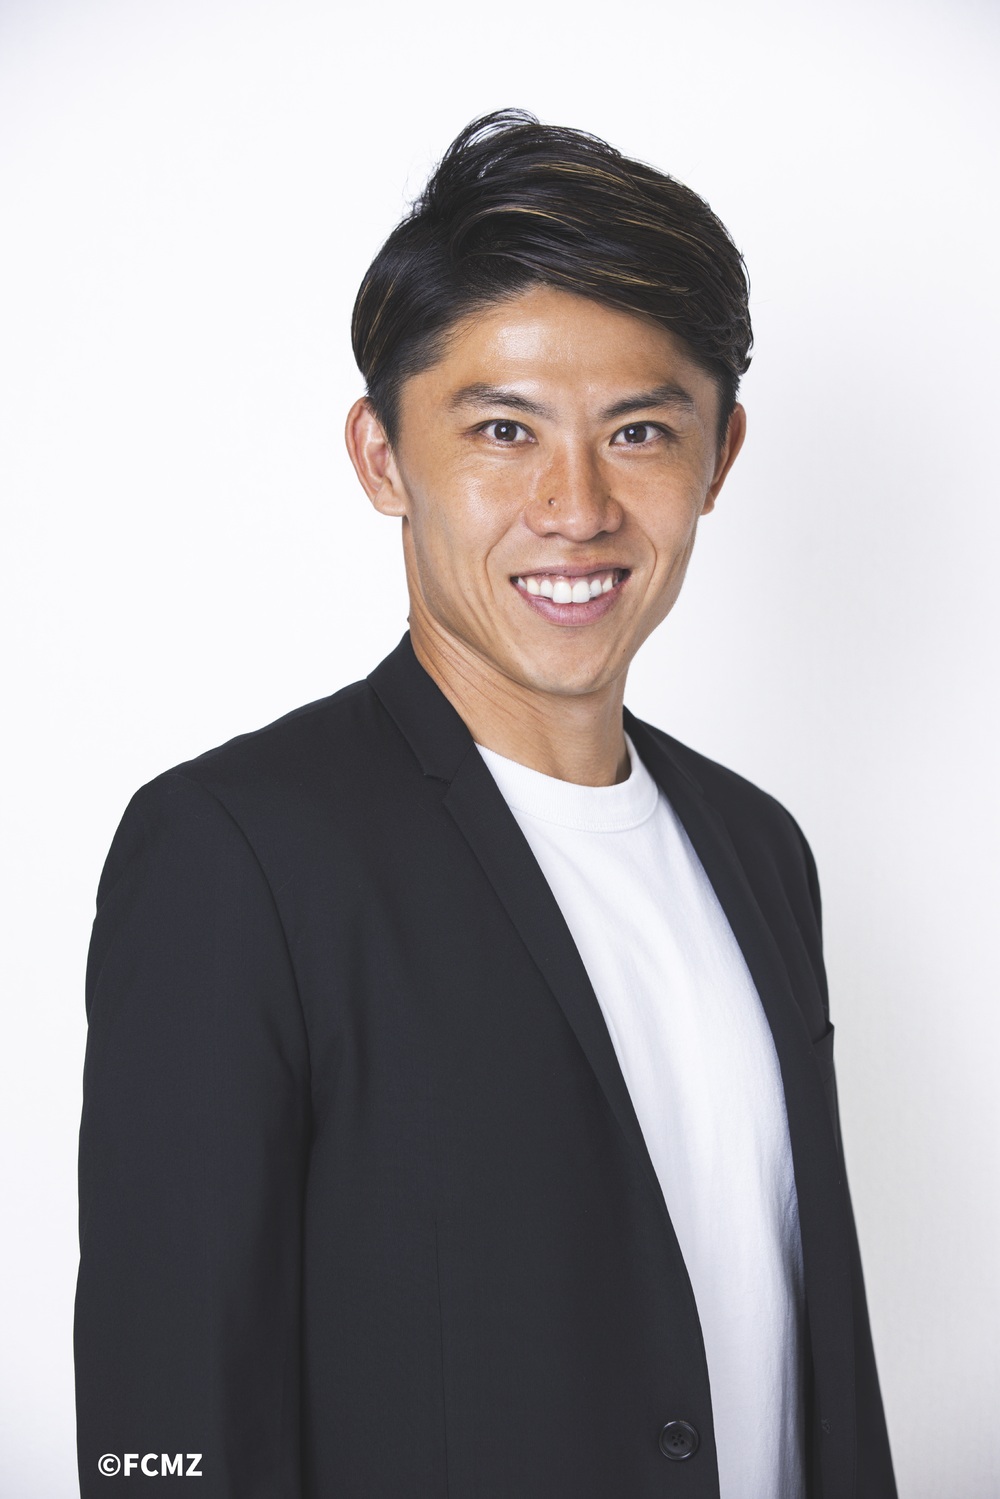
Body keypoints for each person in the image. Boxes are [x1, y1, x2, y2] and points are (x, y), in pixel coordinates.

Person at [74, 108, 897, 1498]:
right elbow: (169, 1426)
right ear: (381, 457)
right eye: (505, 430)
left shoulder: (759, 850)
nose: (576, 507)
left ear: (719, 457)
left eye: (641, 430)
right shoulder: (238, 852)